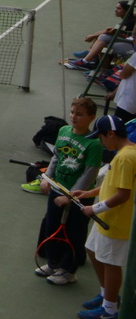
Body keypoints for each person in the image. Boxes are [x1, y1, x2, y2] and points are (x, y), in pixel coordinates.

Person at [32, 97, 104, 286]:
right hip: (57, 191)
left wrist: (70, 196)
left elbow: (89, 174)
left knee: (74, 233)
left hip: (79, 198)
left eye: (79, 114)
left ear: (91, 118)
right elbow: (56, 157)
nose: (73, 117)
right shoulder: (63, 131)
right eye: (72, 112)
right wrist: (47, 177)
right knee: (51, 226)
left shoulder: (94, 144)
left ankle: (68, 271)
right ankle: (53, 263)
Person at [77, 115, 136, 319]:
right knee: (92, 250)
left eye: (101, 137)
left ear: (110, 134)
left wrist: (94, 208)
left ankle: (109, 311)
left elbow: (123, 195)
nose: (101, 143)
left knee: (111, 263)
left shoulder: (125, 158)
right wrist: (88, 193)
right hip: (107, 218)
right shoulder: (123, 154)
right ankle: (106, 295)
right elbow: (112, 183)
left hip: (116, 222)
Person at [63, 1, 135, 72]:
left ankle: (100, 69)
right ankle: (90, 58)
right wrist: (96, 35)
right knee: (102, 36)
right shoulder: (129, 18)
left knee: (103, 43)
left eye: (119, 9)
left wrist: (93, 36)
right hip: (129, 40)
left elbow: (113, 32)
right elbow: (112, 31)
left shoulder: (129, 22)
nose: (115, 10)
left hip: (132, 45)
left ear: (127, 11)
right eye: (116, 8)